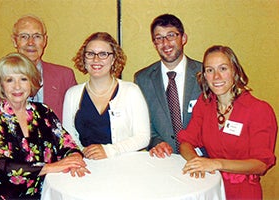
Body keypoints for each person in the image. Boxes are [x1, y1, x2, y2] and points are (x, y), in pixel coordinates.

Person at [0, 53, 89, 199]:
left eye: (23, 79)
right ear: (1, 85)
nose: (17, 86)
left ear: (32, 82)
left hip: (46, 193)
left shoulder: (44, 112)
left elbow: (66, 142)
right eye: (10, 80)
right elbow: (3, 167)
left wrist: (74, 158)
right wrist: (52, 167)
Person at [178, 45, 277, 200]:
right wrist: (196, 162)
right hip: (209, 186)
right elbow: (185, 142)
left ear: (235, 71)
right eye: (210, 70)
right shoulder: (204, 104)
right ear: (204, 75)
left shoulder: (259, 110)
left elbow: (260, 165)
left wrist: (216, 163)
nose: (216, 77)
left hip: (243, 191)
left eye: (223, 68)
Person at [63, 32, 150, 159]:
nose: (96, 59)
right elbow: (68, 138)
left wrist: (109, 150)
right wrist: (81, 153)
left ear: (113, 58)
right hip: (87, 165)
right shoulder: (72, 94)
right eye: (90, 54)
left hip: (124, 165)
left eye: (103, 54)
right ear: (84, 58)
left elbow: (143, 137)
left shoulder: (131, 91)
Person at [0, 14, 77, 120]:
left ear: (45, 40)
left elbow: (76, 121)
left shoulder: (64, 76)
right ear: (14, 41)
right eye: (24, 36)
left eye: (37, 36)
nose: (31, 42)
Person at [134, 14, 202, 158]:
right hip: (164, 159)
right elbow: (142, 123)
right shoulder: (143, 79)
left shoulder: (204, 74)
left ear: (183, 38)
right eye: (159, 38)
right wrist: (156, 142)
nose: (165, 43)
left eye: (171, 35)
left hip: (202, 158)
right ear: (154, 43)